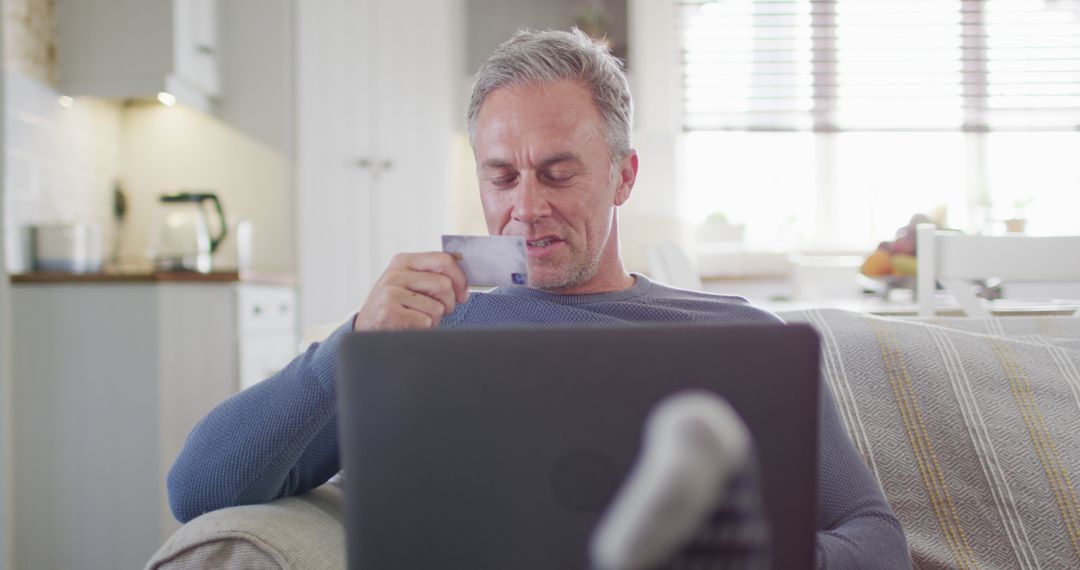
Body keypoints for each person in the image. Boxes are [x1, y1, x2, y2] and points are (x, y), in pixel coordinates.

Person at [168, 29, 910, 568]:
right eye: (501, 177)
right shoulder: (424, 332)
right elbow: (201, 488)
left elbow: (873, 536)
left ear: (623, 176)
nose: (525, 207)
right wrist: (352, 343)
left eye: (558, 173)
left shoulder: (739, 335)